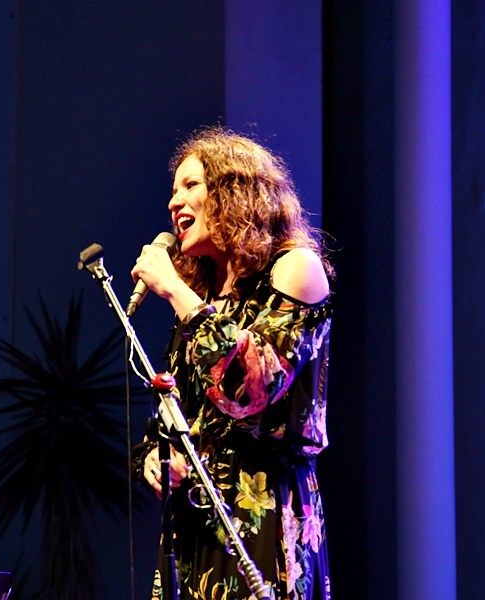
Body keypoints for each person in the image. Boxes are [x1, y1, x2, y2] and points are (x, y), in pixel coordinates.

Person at [130, 127, 333, 600]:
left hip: (261, 512)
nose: (173, 202)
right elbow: (173, 417)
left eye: (190, 185)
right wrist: (157, 462)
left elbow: (250, 388)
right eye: (173, 189)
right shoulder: (203, 300)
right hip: (194, 526)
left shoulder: (295, 268)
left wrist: (177, 293)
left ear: (234, 192)